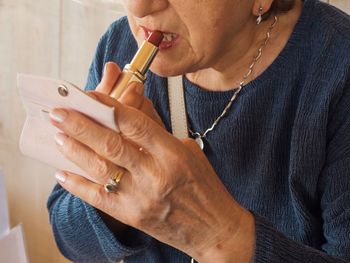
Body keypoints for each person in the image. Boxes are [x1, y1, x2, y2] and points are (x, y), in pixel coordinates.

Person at [47, 0, 350, 262]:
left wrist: (220, 236)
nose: (139, 7)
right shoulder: (122, 43)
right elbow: (68, 238)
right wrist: (119, 179)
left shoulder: (338, 71)